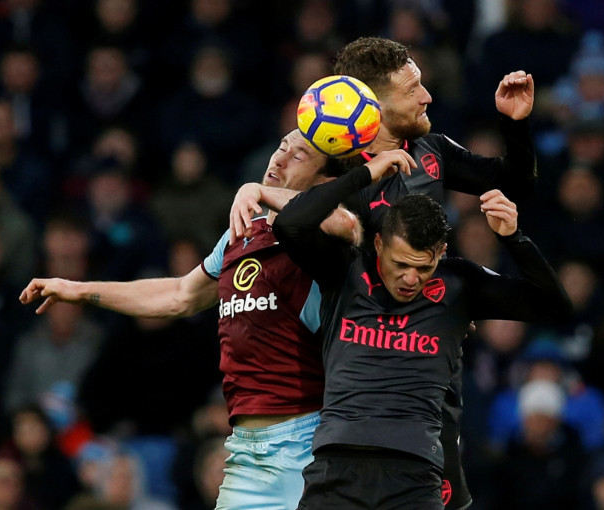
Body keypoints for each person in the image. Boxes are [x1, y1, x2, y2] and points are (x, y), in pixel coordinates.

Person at [230, 36, 538, 510]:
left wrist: (514, 127)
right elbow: (294, 212)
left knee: (444, 487)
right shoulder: (339, 167)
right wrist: (255, 189)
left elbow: (510, 181)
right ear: (372, 103)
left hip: (428, 353)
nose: (426, 96)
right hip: (357, 354)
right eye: (412, 88)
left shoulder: (432, 151)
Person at [19, 129, 352, 510]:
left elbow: (344, 218)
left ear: (326, 181)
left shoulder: (323, 238)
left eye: (299, 156)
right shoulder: (240, 236)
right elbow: (179, 295)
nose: (278, 159)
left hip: (304, 443)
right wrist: (78, 290)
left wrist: (257, 192)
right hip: (245, 449)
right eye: (281, 147)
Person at [272, 150, 572, 509]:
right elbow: (290, 224)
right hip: (336, 466)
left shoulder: (460, 284)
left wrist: (514, 238)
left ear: (441, 252)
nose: (410, 279)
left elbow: (555, 307)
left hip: (414, 475)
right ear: (379, 243)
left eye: (424, 266)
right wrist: (364, 174)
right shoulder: (344, 271)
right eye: (400, 264)